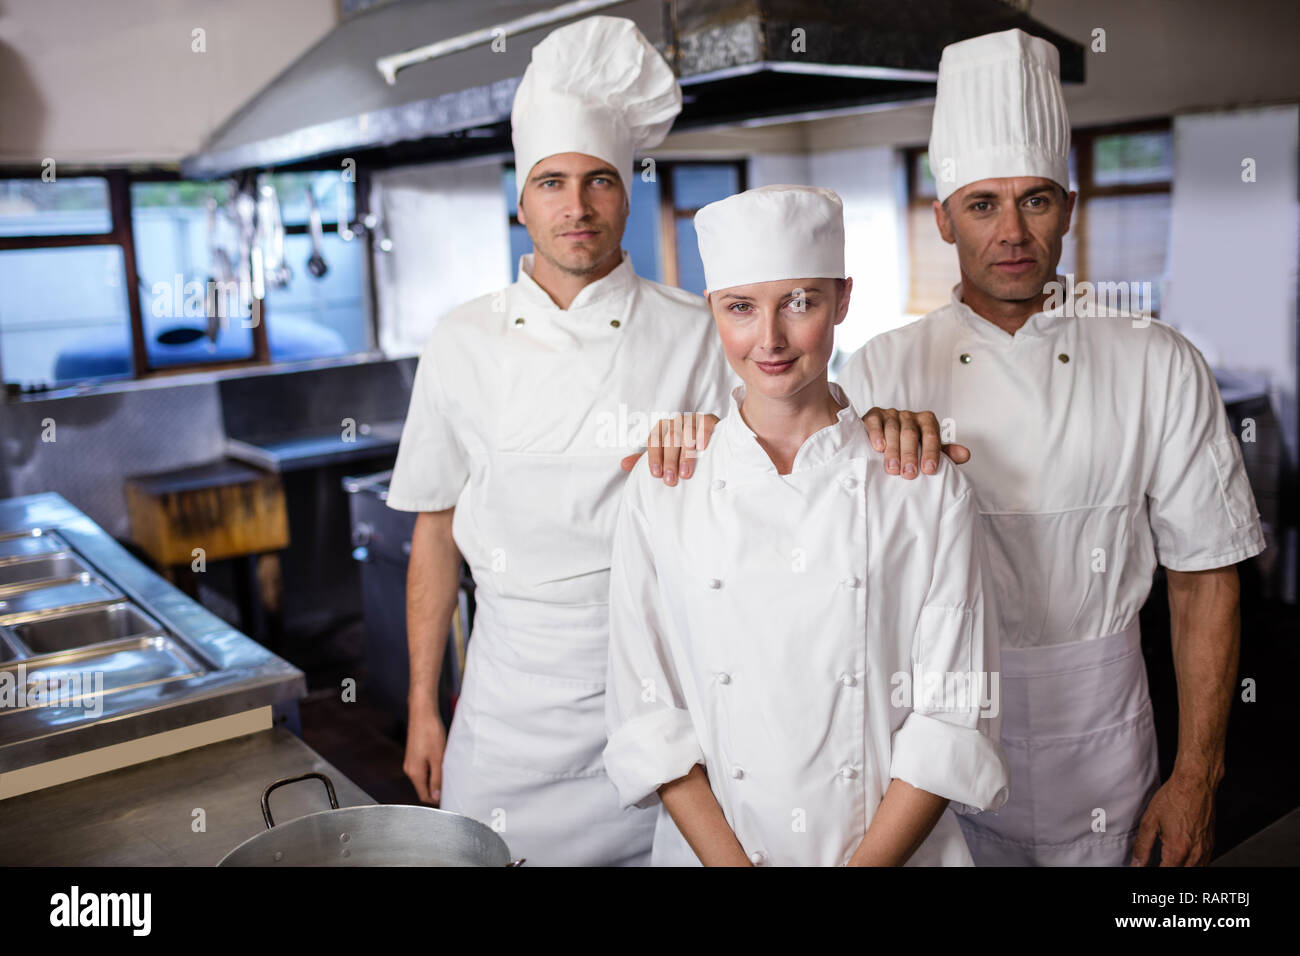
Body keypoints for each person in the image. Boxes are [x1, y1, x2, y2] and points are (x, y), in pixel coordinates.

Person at [835, 29, 1266, 866]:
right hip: (931, 745)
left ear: (1068, 208)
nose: (1012, 232)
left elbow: (1204, 578)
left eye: (1035, 200)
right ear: (942, 218)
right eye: (982, 204)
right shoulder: (884, 367)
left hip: (1105, 742)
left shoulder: (1155, 359)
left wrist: (1197, 779)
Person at [386, 16, 731, 866]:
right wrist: (424, 707)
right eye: (551, 183)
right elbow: (433, 533)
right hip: (508, 710)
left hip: (665, 692)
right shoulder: (462, 338)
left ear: (628, 192)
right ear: (520, 200)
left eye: (598, 181)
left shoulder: (702, 331)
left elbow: (766, 489)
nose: (575, 207)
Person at [603, 185, 1010, 866]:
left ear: (842, 301)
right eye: (741, 308)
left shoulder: (924, 485)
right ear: (714, 313)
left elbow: (951, 716)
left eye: (800, 303)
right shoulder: (665, 485)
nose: (770, 339)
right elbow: (649, 711)